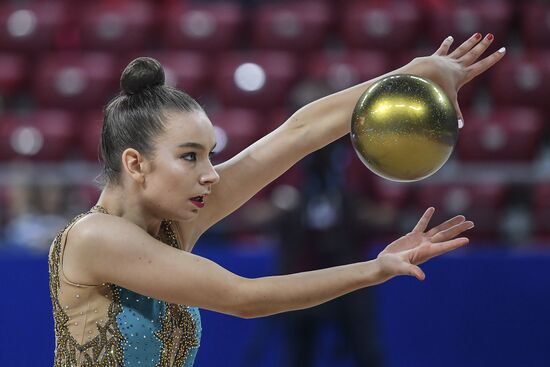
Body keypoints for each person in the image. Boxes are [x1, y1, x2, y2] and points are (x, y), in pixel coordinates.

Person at [48, 33, 504, 366]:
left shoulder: (173, 225)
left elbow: (300, 133)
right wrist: (375, 269)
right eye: (189, 157)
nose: (210, 175)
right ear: (135, 163)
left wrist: (416, 72)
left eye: (211, 155)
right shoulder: (95, 237)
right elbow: (243, 298)